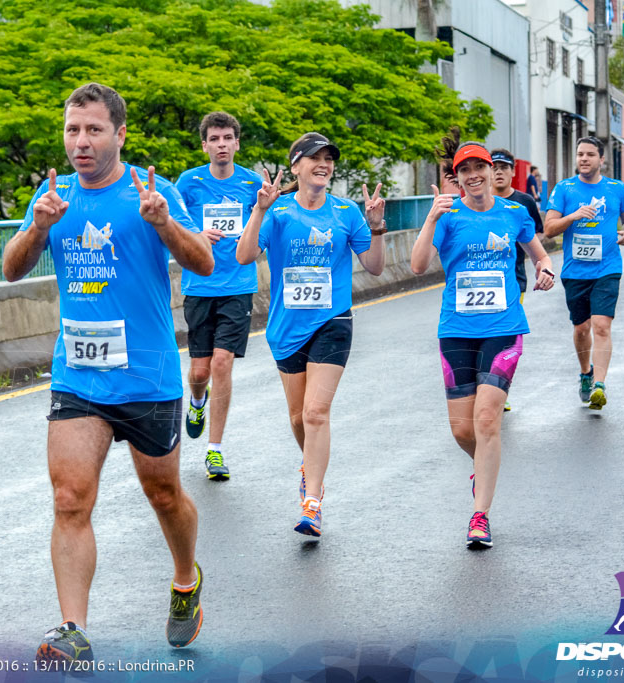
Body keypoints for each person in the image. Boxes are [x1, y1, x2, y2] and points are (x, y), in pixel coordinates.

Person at [2, 83, 213, 663]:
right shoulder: (53, 197)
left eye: (94, 130)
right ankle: (72, 627)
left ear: (119, 134)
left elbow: (203, 260)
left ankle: (185, 580)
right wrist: (38, 228)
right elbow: (12, 268)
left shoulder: (152, 193)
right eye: (73, 130)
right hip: (79, 378)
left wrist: (165, 224)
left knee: (164, 494)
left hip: (147, 377)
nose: (81, 141)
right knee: (70, 498)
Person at [235, 132, 386, 538]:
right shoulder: (279, 211)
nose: (324, 164)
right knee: (299, 416)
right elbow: (245, 256)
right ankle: (310, 466)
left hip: (333, 321)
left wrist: (377, 228)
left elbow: (374, 266)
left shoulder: (346, 211)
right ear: (297, 165)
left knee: (317, 413)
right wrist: (258, 212)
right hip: (286, 328)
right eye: (315, 158)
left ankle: (313, 502)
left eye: (329, 159)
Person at [410, 141, 555, 548]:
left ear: (493, 171)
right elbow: (418, 266)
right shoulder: (448, 214)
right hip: (456, 328)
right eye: (465, 170)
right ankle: (482, 464)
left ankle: (480, 515)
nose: (473, 175)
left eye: (480, 167)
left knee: (488, 420)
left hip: (503, 326)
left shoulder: (514, 213)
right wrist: (430, 218)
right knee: (461, 429)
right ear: (457, 178)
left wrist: (546, 270)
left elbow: (539, 255)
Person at [176, 112, 261, 479]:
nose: (222, 144)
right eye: (215, 138)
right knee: (199, 371)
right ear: (205, 145)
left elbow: (261, 226)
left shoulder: (252, 183)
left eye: (228, 138)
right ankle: (197, 401)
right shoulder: (188, 182)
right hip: (199, 284)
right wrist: (198, 235)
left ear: (237, 143)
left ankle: (215, 450)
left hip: (238, 286)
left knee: (222, 363)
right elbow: (173, 225)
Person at [544, 137, 624, 410]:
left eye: (590, 155)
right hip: (575, 271)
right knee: (581, 327)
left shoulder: (616, 189)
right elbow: (549, 229)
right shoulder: (564, 189)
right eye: (580, 154)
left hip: (608, 267)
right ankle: (586, 372)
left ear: (601, 159)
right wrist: (572, 216)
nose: (584, 159)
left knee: (601, 326)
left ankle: (599, 385)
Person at [490, 149, 544, 412]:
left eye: (504, 167)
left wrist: (539, 263)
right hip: (479, 285)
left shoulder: (524, 203)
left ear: (513, 172)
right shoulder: (474, 202)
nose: (499, 171)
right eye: (494, 167)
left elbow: (538, 239)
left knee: (504, 338)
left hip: (514, 281)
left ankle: (501, 389)